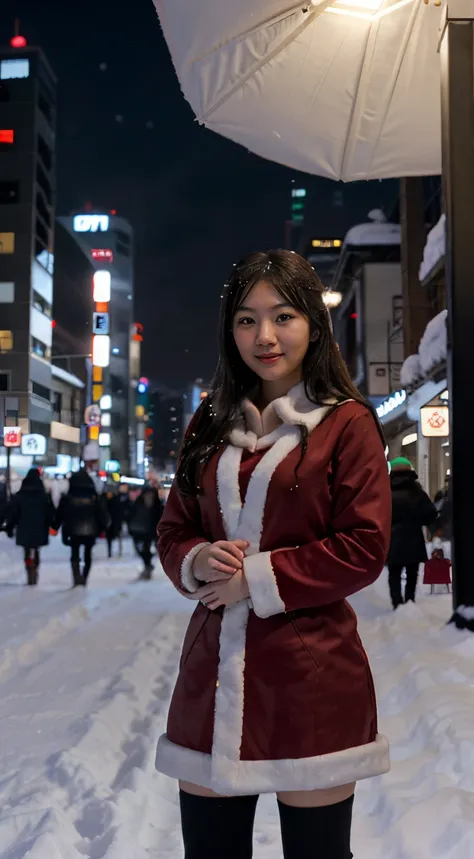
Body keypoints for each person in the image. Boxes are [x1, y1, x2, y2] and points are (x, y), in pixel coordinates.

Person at [156, 250, 392, 859]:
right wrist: (198, 559)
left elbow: (364, 547)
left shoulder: (347, 422)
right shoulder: (207, 421)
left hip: (311, 678)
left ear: (313, 322)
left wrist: (255, 579)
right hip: (212, 678)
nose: (263, 336)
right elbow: (174, 528)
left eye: (282, 315)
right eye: (246, 318)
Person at [387, 457, 437, 609]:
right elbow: (430, 514)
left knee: (394, 573)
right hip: (413, 538)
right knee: (412, 573)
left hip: (392, 538)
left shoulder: (385, 492)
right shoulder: (418, 492)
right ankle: (409, 601)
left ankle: (397, 603)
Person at [55, 469, 109, 587]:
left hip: (73, 529)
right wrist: (103, 528)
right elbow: (101, 514)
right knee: (88, 554)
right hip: (90, 529)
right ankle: (84, 576)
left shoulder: (68, 497)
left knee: (75, 553)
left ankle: (76, 576)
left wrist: (55, 526)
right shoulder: (94, 497)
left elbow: (60, 514)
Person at [4, 468, 55, 585]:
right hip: (40, 528)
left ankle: (29, 567)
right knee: (36, 548)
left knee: (27, 550)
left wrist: (10, 527)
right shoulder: (43, 496)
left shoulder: (20, 495)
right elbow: (50, 513)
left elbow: (13, 513)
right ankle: (35, 566)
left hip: (24, 528)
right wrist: (51, 524)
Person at [127, 485, 163, 579]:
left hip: (149, 531)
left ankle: (147, 565)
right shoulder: (138, 503)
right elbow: (131, 514)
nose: (149, 496)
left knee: (145, 548)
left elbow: (159, 518)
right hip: (138, 530)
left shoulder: (157, 505)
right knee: (139, 549)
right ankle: (148, 563)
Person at [104, 487, 124, 558]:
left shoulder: (116, 501)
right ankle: (110, 551)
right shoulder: (105, 500)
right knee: (109, 538)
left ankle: (119, 550)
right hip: (109, 522)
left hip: (115, 522)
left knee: (118, 536)